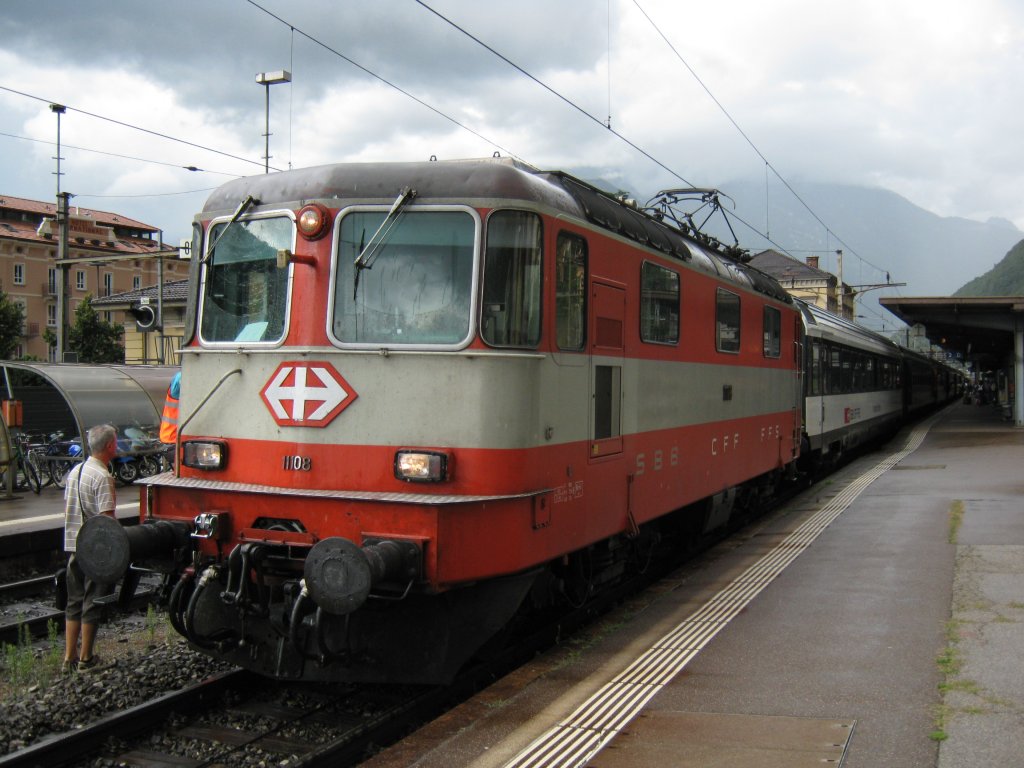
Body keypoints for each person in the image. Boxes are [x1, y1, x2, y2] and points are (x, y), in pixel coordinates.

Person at [62, 424, 119, 674]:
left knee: (73, 601)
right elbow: (106, 521)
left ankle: (69, 658)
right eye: (115, 442)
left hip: (73, 544)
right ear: (109, 446)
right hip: (94, 551)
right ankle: (86, 658)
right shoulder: (103, 476)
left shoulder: (75, 471)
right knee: (92, 602)